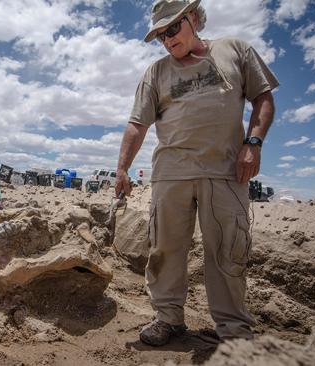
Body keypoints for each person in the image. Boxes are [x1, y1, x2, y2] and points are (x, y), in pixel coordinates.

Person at [114, 0, 278, 346]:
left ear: (193, 18)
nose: (167, 39)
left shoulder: (235, 50)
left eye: (172, 28)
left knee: (227, 251)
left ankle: (234, 331)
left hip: (225, 172)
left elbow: (263, 98)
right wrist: (122, 168)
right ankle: (169, 318)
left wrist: (253, 143)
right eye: (160, 34)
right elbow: (136, 124)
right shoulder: (156, 72)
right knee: (165, 250)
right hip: (171, 174)